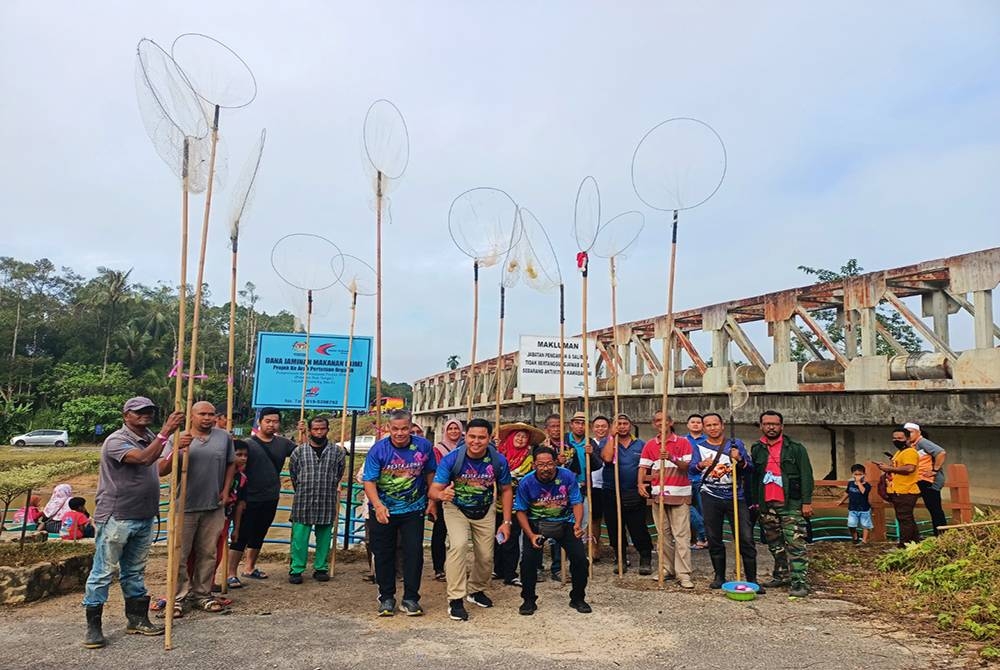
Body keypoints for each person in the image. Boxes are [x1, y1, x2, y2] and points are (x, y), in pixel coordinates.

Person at [82, 396, 184, 649]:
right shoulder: (117, 440)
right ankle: (93, 627)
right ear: (126, 415)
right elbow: (142, 459)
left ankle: (137, 619)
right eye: (139, 411)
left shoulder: (150, 437)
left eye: (149, 410)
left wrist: (176, 451)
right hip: (117, 515)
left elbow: (159, 469)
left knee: (135, 571)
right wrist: (166, 433)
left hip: (144, 515)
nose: (145, 415)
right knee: (103, 572)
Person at [430, 418, 513, 621]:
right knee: (458, 546)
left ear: (489, 438)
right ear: (465, 436)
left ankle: (476, 590)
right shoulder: (452, 459)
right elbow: (434, 489)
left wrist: (507, 521)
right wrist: (442, 496)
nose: (476, 442)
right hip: (456, 508)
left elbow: (506, 489)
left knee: (485, 555)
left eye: (481, 437)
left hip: (485, 508)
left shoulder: (498, 460)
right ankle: (455, 599)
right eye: (472, 437)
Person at [159, 400, 236, 616]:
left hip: (213, 505)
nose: (208, 418)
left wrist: (225, 488)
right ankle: (179, 597)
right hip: (184, 505)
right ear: (192, 416)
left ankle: (203, 594)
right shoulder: (178, 438)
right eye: (202, 414)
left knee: (208, 553)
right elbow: (161, 469)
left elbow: (232, 463)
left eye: (211, 414)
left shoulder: (223, 437)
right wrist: (176, 449)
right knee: (179, 554)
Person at [362, 409, 436, 617]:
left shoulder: (423, 446)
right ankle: (386, 596)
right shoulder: (378, 450)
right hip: (383, 508)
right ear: (388, 428)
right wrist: (377, 506)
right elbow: (369, 480)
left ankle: (411, 598)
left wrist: (432, 500)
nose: (400, 433)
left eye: (404, 428)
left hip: (414, 508)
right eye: (395, 429)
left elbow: (430, 472)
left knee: (414, 552)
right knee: (384, 552)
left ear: (411, 427)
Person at [514, 447, 591, 615]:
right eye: (541, 464)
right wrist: (530, 534)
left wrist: (578, 524)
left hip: (566, 523)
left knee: (580, 560)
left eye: (549, 464)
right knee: (528, 562)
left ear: (556, 463)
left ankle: (578, 597)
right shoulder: (526, 482)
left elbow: (577, 501)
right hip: (536, 525)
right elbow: (520, 510)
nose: (546, 468)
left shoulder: (567, 476)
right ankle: (528, 599)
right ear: (534, 465)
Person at [227, 407, 296, 587]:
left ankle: (249, 567)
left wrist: (303, 434)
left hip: (271, 496)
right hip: (248, 497)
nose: (272, 424)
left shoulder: (284, 444)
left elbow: (301, 454)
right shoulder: (247, 444)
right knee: (241, 535)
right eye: (268, 421)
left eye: (275, 421)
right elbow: (233, 464)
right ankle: (231, 573)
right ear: (260, 422)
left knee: (260, 533)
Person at [693, 413, 760, 591]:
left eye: (716, 424)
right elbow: (692, 468)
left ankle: (752, 579)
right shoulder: (699, 447)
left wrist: (739, 459)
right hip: (710, 497)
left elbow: (750, 469)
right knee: (714, 538)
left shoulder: (735, 444)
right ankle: (719, 576)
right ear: (704, 428)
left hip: (737, 497)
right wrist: (700, 465)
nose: (712, 428)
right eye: (708, 425)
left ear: (722, 425)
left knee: (745, 538)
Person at [750, 410, 814, 598]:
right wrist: (755, 503)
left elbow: (806, 476)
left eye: (775, 424)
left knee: (795, 543)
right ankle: (782, 574)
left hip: (790, 503)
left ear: (782, 426)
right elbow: (754, 477)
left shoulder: (795, 448)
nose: (771, 427)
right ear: (761, 426)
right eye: (767, 424)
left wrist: (806, 502)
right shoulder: (757, 448)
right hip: (767, 504)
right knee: (774, 543)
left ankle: (800, 581)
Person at [638, 411, 694, 588]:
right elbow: (643, 466)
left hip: (680, 495)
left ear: (671, 422)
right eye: (657, 421)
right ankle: (666, 568)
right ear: (654, 424)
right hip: (659, 495)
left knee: (682, 535)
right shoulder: (650, 445)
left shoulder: (683, 442)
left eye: (663, 420)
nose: (660, 423)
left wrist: (671, 457)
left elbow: (686, 467)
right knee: (663, 535)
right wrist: (640, 483)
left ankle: (683, 573)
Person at [288, 416, 347, 584]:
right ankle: (297, 569)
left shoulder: (337, 452)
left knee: (324, 538)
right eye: (315, 429)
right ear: (310, 430)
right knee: (299, 539)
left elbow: (339, 473)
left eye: (322, 429)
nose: (319, 432)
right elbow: (293, 474)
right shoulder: (299, 451)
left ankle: (321, 567)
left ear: (328, 430)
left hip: (326, 500)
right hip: (303, 500)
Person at [600, 413, 653, 574]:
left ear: (630, 425)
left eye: (625, 423)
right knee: (615, 527)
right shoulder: (607, 442)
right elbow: (608, 459)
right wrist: (612, 437)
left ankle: (645, 557)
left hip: (634, 491)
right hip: (611, 491)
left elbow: (646, 467)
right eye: (618, 423)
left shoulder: (640, 444)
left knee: (638, 527)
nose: (622, 426)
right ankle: (620, 557)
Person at [493, 421, 544, 585]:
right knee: (495, 537)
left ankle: (510, 572)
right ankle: (497, 569)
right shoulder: (498, 455)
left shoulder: (529, 460)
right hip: (495, 503)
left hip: (517, 504)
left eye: (524, 437)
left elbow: (528, 479)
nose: (521, 439)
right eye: (518, 436)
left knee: (512, 538)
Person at [877, 426, 921, 547]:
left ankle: (904, 545)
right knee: (906, 518)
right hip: (898, 490)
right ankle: (914, 543)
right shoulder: (899, 452)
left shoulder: (910, 452)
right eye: (894, 438)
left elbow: (909, 468)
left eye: (900, 438)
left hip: (906, 490)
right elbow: (897, 467)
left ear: (907, 439)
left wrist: (889, 468)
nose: (896, 440)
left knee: (904, 519)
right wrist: (887, 467)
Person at [431, 419, 463, 581]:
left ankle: (458, 567)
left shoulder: (466, 445)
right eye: (450, 428)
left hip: (464, 493)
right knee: (440, 530)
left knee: (461, 534)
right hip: (443, 492)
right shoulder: (438, 449)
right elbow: (438, 469)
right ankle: (439, 567)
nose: (453, 431)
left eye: (456, 428)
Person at [905, 422, 948, 535]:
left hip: (930, 481)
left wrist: (935, 470)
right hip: (920, 480)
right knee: (931, 508)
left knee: (935, 509)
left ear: (918, 432)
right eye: (906, 432)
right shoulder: (912, 445)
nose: (908, 434)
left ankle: (942, 536)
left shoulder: (923, 442)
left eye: (911, 432)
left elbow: (941, 453)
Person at [684, 414, 708, 549]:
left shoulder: (708, 440)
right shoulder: (682, 440)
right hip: (685, 479)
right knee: (687, 508)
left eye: (698, 422)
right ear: (688, 425)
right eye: (692, 422)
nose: (695, 424)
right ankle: (703, 534)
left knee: (703, 509)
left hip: (702, 480)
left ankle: (701, 539)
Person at [589, 416, 610, 561]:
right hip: (593, 484)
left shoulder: (612, 442)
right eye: (597, 426)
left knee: (612, 518)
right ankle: (594, 548)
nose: (600, 429)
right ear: (592, 428)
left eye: (603, 426)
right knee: (594, 519)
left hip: (609, 484)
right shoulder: (589, 443)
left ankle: (617, 548)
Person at [838, 464, 872, 544]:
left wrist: (858, 482)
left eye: (860, 474)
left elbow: (863, 491)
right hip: (852, 508)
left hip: (864, 509)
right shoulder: (850, 483)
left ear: (864, 474)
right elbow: (847, 493)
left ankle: (864, 541)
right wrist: (841, 500)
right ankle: (855, 536)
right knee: (851, 525)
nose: (858, 476)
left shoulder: (867, 485)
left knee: (865, 525)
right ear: (852, 474)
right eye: (855, 474)